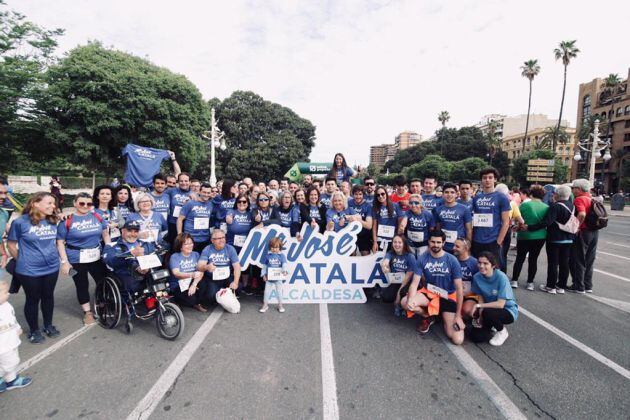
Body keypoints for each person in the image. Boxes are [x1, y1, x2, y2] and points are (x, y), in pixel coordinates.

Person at [7, 193, 61, 344]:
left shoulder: (53, 220)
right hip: (29, 270)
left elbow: (58, 241)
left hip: (52, 266)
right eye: (49, 203)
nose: (53, 206)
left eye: (54, 203)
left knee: (48, 296)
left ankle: (48, 325)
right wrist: (22, 259)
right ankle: (34, 330)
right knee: (33, 299)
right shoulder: (20, 222)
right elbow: (11, 244)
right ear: (35, 204)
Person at [402, 230, 465, 344]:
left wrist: (458, 315)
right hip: (430, 293)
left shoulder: (452, 260)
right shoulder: (422, 258)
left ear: (443, 243)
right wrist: (411, 300)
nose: (435, 245)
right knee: (405, 302)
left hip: (448, 296)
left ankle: (440, 315)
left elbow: (459, 288)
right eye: (432, 242)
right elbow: (415, 283)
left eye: (438, 242)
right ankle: (427, 315)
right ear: (428, 242)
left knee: (457, 339)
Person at [56, 193, 110, 325]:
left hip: (96, 256)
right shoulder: (67, 221)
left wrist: (108, 249)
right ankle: (87, 312)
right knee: (82, 284)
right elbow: (60, 242)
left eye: (89, 203)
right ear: (75, 203)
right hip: (76, 258)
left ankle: (102, 304)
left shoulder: (97, 216)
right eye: (81, 203)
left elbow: (105, 233)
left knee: (103, 281)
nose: (85, 206)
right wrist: (64, 262)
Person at [524, 185, 574, 294]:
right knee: (564, 263)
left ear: (557, 194)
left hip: (555, 239)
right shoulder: (572, 206)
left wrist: (530, 227)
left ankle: (551, 286)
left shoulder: (555, 206)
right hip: (569, 239)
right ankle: (561, 286)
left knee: (553, 263)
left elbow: (547, 222)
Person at [463, 252, 518, 346]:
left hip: (507, 310)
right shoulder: (477, 277)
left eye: (485, 263)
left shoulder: (501, 277)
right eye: (479, 263)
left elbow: (500, 304)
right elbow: (480, 296)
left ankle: (502, 331)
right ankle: (492, 324)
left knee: (488, 313)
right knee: (476, 337)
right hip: (488, 309)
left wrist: (478, 306)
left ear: (493, 265)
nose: (481, 266)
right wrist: (480, 313)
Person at [102, 220, 159, 295]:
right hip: (125, 276)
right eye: (129, 231)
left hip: (145, 274)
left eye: (136, 231)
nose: (133, 234)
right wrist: (131, 254)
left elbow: (156, 254)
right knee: (131, 282)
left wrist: (146, 266)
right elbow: (110, 261)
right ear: (122, 231)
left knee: (159, 276)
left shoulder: (145, 243)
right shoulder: (112, 246)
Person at [471, 168, 511, 266]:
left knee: (493, 270)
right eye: (484, 178)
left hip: (492, 241)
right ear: (481, 180)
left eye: (490, 177)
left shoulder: (502, 197)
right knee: (477, 268)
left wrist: (498, 242)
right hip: (476, 240)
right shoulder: (476, 198)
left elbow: (506, 222)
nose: (487, 180)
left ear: (495, 179)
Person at [511, 186, 548, 290]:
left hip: (524, 235)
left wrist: (517, 227)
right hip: (540, 236)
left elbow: (518, 218)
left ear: (531, 194)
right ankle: (530, 283)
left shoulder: (525, 205)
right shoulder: (546, 207)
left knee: (520, 258)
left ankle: (514, 280)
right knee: (533, 259)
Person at [0, 279, 32, 391]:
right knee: (11, 362)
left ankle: (11, 380)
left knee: (12, 359)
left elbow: (12, 318)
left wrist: (17, 328)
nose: (8, 294)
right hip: (2, 345)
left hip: (10, 339)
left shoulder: (6, 305)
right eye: (4, 293)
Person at [568, 179, 599, 294]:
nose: (572, 190)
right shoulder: (591, 199)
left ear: (579, 189)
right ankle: (588, 285)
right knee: (589, 259)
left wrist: (577, 227)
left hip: (584, 232)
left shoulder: (579, 199)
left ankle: (578, 286)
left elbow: (582, 214)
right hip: (594, 232)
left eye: (574, 188)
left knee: (579, 259)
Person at [196, 229, 241, 305]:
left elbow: (237, 267)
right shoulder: (207, 249)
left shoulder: (230, 249)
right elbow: (199, 267)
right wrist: (207, 267)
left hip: (226, 277)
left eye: (223, 237)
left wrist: (235, 282)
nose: (221, 240)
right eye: (218, 238)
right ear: (212, 240)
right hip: (212, 278)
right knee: (211, 297)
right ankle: (220, 292)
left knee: (239, 287)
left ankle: (224, 292)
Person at [169, 233, 206, 312]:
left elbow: (201, 271)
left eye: (191, 243)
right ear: (180, 246)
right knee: (190, 300)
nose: (190, 245)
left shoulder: (196, 254)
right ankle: (177, 301)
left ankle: (197, 303)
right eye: (186, 244)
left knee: (204, 284)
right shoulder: (175, 256)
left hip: (191, 282)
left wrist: (194, 284)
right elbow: (176, 274)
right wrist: (191, 275)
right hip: (178, 284)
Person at [434, 183, 472, 254]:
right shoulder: (438, 210)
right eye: (446, 192)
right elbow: (438, 228)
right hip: (444, 246)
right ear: (443, 194)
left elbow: (469, 229)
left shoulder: (464, 209)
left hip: (458, 246)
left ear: (457, 194)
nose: (449, 195)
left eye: (452, 192)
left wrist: (468, 245)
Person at [380, 235, 416, 307]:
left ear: (404, 244)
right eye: (395, 242)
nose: (397, 245)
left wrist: (398, 296)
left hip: (407, 282)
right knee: (385, 297)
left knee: (402, 293)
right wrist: (384, 266)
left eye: (400, 242)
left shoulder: (410, 256)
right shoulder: (390, 253)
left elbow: (407, 278)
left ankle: (404, 303)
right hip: (396, 281)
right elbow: (385, 262)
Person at [177, 183, 214, 252]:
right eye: (204, 192)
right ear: (199, 192)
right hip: (190, 239)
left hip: (205, 238)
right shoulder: (190, 203)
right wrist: (180, 235)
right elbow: (180, 219)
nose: (206, 194)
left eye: (208, 193)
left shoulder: (210, 204)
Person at [259, 237, 287, 313]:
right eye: (272, 247)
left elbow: (284, 264)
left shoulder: (282, 256)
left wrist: (284, 271)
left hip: (278, 278)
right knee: (267, 292)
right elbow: (264, 266)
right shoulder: (268, 256)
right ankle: (265, 305)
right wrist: (263, 275)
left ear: (280, 248)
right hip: (269, 278)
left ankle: (280, 305)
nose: (274, 249)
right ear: (270, 247)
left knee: (279, 292)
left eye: (276, 247)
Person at [165, 173, 192, 244]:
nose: (184, 183)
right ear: (178, 182)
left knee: (184, 244)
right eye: (181, 181)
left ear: (190, 182)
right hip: (172, 223)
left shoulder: (193, 194)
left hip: (186, 224)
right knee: (173, 244)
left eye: (186, 181)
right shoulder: (172, 191)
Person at [372, 186, 400, 252]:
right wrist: (375, 242)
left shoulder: (395, 206)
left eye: (382, 194)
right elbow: (374, 227)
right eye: (378, 195)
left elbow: (400, 223)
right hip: (380, 240)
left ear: (386, 194)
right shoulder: (375, 208)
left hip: (393, 240)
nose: (380, 196)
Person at [348, 185, 373, 255]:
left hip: (363, 234)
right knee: (351, 254)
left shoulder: (368, 206)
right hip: (351, 234)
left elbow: (369, 225)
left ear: (363, 195)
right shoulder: (349, 203)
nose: (358, 196)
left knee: (365, 255)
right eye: (356, 194)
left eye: (360, 194)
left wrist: (356, 219)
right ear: (352, 195)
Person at [453, 238, 479, 303]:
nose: (453, 248)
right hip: (454, 291)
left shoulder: (475, 263)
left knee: (467, 310)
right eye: (454, 245)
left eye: (457, 246)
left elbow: (479, 281)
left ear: (466, 248)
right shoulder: (452, 260)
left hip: (470, 293)